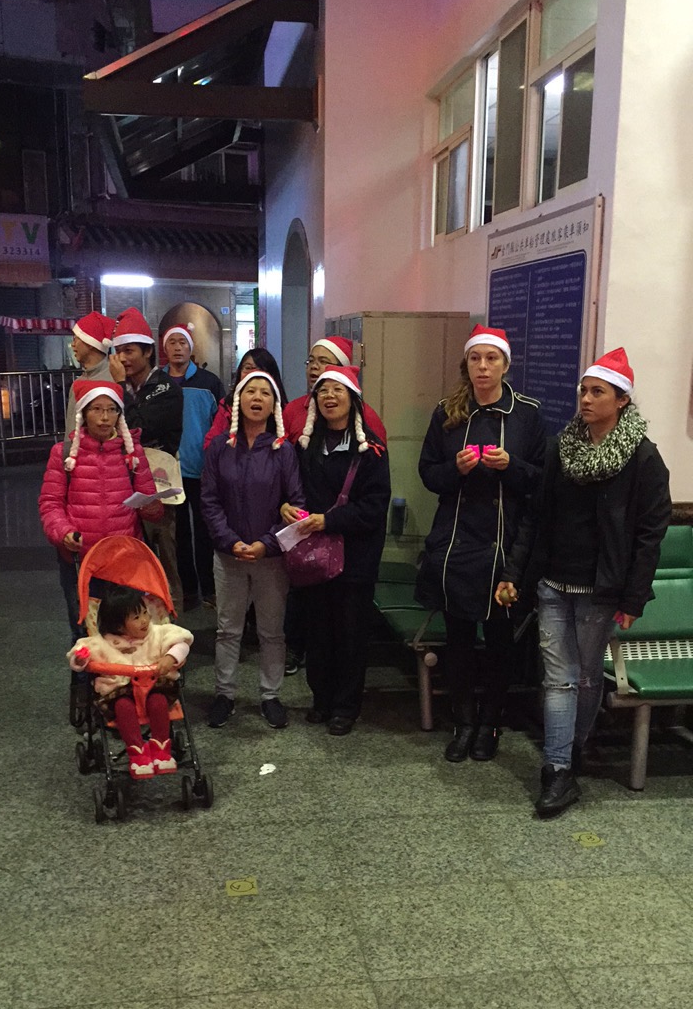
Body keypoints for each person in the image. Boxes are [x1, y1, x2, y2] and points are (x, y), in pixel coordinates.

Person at [497, 347, 671, 818]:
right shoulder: (560, 448)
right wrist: (514, 573)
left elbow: (649, 535)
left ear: (622, 401)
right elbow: (535, 517)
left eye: (598, 392)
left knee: (588, 676)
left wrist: (633, 598)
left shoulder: (643, 459)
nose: (586, 399)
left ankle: (574, 750)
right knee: (560, 679)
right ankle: (557, 770)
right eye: (584, 390)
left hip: (601, 590)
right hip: (553, 583)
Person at [416, 324, 547, 763]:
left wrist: (511, 465)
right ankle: (463, 721)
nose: (483, 367)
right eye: (476, 358)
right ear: (466, 365)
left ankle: (491, 722)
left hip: (504, 546)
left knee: (498, 641)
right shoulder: (446, 412)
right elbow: (428, 474)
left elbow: (541, 482)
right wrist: (455, 469)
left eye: (492, 359)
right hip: (455, 543)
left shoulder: (527, 414)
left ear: (505, 365)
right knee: (457, 638)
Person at [282, 362, 391, 735]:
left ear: (353, 398)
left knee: (350, 634)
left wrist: (329, 520)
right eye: (323, 391)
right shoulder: (305, 447)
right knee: (318, 632)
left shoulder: (371, 450)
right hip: (314, 558)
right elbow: (292, 490)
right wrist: (287, 506)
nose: (329, 397)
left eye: (337, 390)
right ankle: (322, 699)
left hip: (355, 559)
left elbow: (374, 508)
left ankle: (346, 706)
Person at [201, 370, 305, 730]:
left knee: (272, 631)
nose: (257, 398)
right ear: (238, 401)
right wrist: (230, 541)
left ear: (274, 404)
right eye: (250, 391)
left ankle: (271, 696)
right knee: (228, 630)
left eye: (265, 392)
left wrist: (267, 544)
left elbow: (297, 504)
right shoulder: (219, 448)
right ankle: (224, 694)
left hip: (270, 558)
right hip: (228, 554)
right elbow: (209, 501)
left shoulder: (283, 451)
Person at [39, 380, 163, 637]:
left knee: (128, 630)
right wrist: (63, 532)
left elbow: (150, 506)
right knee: (85, 631)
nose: (105, 417)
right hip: (81, 560)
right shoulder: (63, 453)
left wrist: (152, 507)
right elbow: (50, 503)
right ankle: (83, 665)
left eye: (111, 409)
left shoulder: (132, 452)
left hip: (125, 559)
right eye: (96, 409)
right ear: (84, 413)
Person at [67, 585, 193, 779]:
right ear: (118, 626)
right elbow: (79, 657)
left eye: (145, 612)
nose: (144, 620)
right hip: (119, 692)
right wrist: (81, 658)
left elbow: (182, 642)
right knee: (123, 707)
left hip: (154, 687)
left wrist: (171, 657)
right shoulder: (102, 643)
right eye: (136, 617)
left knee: (159, 702)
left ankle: (161, 749)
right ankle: (137, 753)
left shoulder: (159, 633)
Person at [109, 308, 184, 614]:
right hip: (122, 488)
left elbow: (139, 429)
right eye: (118, 352)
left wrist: (120, 389)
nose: (122, 358)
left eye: (129, 351)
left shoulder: (167, 389)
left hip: (159, 489)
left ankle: (172, 629)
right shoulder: (120, 387)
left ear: (148, 351)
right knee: (130, 561)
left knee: (165, 562)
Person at [161, 321, 222, 609]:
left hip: (202, 469)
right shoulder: (157, 383)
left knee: (205, 531)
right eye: (172, 343)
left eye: (182, 342)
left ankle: (209, 588)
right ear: (165, 348)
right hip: (169, 472)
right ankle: (187, 591)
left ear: (191, 347)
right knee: (178, 535)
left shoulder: (209, 383)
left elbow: (221, 424)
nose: (177, 348)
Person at [283, 336, 387, 445]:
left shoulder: (366, 417)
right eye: (310, 361)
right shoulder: (292, 410)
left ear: (342, 370)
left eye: (323, 361)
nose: (314, 366)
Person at [203, 347, 287, 447]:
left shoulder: (285, 410)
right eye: (248, 368)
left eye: (260, 369)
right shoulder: (227, 405)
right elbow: (210, 444)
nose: (253, 373)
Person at [64, 311, 115, 447]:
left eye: (76, 339)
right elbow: (71, 430)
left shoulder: (113, 379)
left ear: (90, 342)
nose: (73, 345)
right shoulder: (79, 381)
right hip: (77, 456)